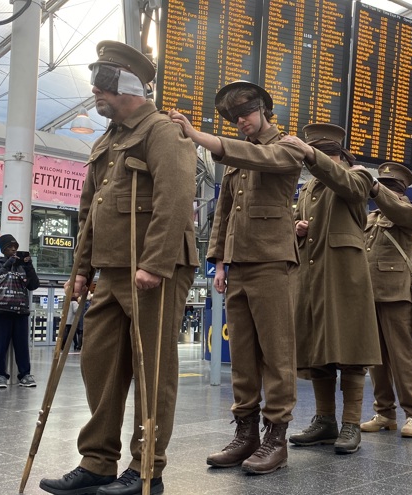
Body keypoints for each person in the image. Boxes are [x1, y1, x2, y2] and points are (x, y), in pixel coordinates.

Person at [39, 41, 198, 495]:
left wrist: (154, 263)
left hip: (153, 271)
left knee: (153, 371)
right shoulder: (106, 139)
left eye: (102, 82)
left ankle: (148, 467)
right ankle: (97, 462)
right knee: (100, 364)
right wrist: (81, 270)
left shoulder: (163, 132)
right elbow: (89, 211)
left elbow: (174, 200)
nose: (94, 91)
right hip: (109, 270)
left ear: (125, 83)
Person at [169, 81, 303, 474]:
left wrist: (197, 135)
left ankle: (275, 438)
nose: (240, 121)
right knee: (242, 355)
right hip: (239, 264)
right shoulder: (238, 158)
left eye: (245, 113)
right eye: (233, 117)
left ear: (264, 110)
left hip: (273, 261)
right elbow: (225, 212)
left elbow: (260, 157)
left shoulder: (287, 145)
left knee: (277, 353)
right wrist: (220, 263)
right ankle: (246, 434)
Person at [283, 124, 378, 454]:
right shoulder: (308, 188)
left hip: (345, 276)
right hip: (312, 278)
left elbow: (350, 188)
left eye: (318, 154)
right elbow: (299, 222)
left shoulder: (357, 175)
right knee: (317, 350)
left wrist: (311, 155)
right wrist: (296, 230)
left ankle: (351, 422)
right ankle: (326, 421)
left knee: (352, 349)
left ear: (334, 155)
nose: (311, 161)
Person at [359, 162, 412, 438]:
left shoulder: (406, 211)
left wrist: (375, 189)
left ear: (399, 192)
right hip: (369, 293)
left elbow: (396, 210)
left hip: (396, 293)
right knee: (376, 359)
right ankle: (384, 412)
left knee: (402, 357)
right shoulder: (370, 218)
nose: (383, 194)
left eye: (388, 189)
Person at [0, 234, 40, 388]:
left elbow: (33, 285)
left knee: (22, 345)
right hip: (1, 310)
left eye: (15, 247)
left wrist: (29, 266)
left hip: (21, 311)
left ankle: (25, 374)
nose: (13, 250)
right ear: (3, 249)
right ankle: (0, 374)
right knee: (1, 344)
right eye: (10, 247)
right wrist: (7, 264)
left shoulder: (22, 265)